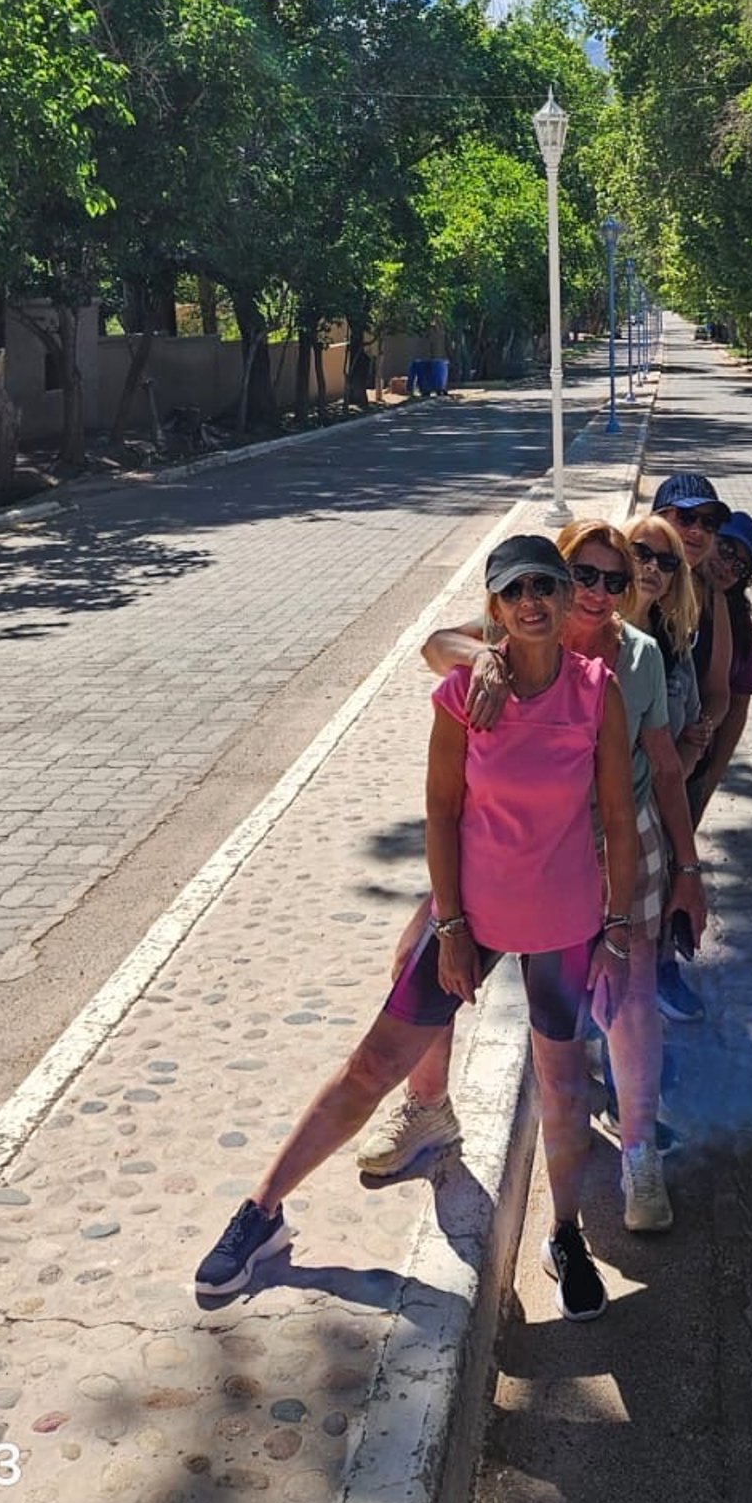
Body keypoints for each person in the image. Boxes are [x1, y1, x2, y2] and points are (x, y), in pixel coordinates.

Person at [194, 533, 639, 1320]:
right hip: (475, 912)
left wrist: (617, 926)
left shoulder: (596, 688)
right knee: (373, 1065)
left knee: (565, 1086)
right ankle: (262, 1211)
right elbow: (441, 811)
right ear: (496, 608)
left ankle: (566, 1233)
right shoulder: (466, 693)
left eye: (546, 586)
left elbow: (615, 815)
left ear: (567, 601)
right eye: (515, 592)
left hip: (568, 921)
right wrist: (455, 923)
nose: (533, 601)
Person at [359, 518, 705, 1233]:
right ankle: (428, 1110)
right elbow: (434, 646)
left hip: (613, 842)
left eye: (617, 581)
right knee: (418, 959)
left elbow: (665, 766)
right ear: (553, 573)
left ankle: (640, 1153)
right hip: (508, 845)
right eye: (586, 575)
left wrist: (688, 868)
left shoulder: (634, 658)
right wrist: (480, 660)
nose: (599, 592)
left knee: (627, 1000)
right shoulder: (512, 632)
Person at [643, 474, 731, 1023]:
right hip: (623, 783)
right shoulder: (619, 591)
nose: (696, 532)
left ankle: (656, 981)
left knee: (666, 878)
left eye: (708, 523)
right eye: (685, 518)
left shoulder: (710, 602)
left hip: (676, 768)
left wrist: (699, 740)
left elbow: (719, 692)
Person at [688, 510, 752, 827]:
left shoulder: (739, 630)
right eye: (726, 549)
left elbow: (736, 708)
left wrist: (706, 788)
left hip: (692, 763)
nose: (727, 566)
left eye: (740, 567)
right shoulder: (662, 587)